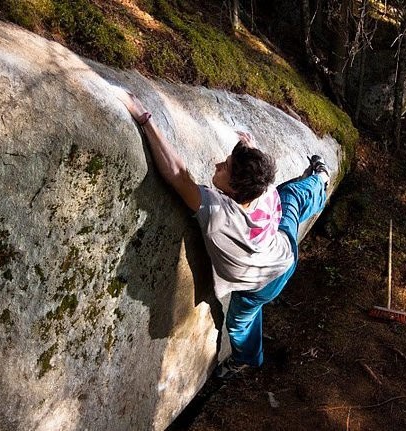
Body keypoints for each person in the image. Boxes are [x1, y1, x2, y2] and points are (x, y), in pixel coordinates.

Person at [117, 90, 329, 378]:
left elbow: (177, 173)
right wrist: (249, 148)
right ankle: (320, 180)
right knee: (292, 197)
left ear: (235, 189)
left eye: (225, 167)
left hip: (261, 284)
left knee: (240, 323)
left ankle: (247, 358)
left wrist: (144, 119)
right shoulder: (263, 190)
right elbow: (260, 174)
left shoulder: (218, 214)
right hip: (284, 249)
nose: (218, 165)